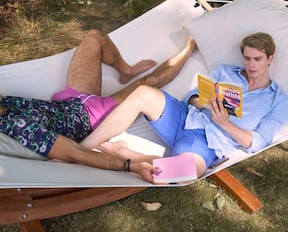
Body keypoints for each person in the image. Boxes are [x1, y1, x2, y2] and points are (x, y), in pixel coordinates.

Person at [80, 32, 288, 183]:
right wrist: (203, 101)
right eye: (247, 58)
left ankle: (121, 152)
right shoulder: (226, 72)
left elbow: (258, 142)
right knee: (143, 92)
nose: (251, 65)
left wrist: (224, 123)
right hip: (185, 117)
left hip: (208, 143)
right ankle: (82, 148)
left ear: (270, 59)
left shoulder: (277, 100)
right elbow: (191, 96)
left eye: (258, 59)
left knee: (184, 172)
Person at [0, 29, 197, 179]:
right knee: (149, 84)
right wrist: (130, 166)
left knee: (95, 37)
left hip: (69, 99)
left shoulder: (3, 102)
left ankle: (125, 70)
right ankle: (190, 49)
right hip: (91, 118)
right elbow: (77, 153)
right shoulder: (20, 130)